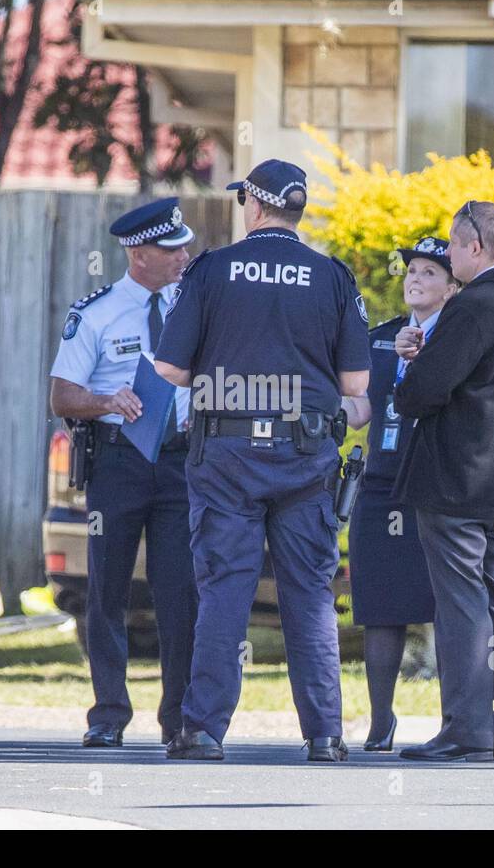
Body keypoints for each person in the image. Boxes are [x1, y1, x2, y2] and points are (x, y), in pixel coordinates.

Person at [154, 159, 370, 762]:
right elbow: (356, 384)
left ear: (254, 204)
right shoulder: (333, 276)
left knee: (225, 590)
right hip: (306, 457)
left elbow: (170, 368)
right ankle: (325, 734)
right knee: (309, 594)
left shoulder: (212, 270)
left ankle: (203, 731)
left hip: (226, 455)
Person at [393, 201, 494, 762]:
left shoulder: (475, 305)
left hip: (456, 478)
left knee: (461, 603)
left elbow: (420, 393)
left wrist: (412, 365)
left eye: (454, 246)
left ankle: (466, 728)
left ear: (476, 247)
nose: (448, 255)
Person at [48, 197, 199, 748]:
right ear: (138, 253)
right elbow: (62, 395)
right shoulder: (98, 312)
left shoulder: (195, 304)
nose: (184, 254)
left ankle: (179, 717)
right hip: (119, 462)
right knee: (107, 589)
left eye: (185, 244)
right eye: (171, 247)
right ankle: (108, 713)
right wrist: (108, 400)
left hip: (181, 461)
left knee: (180, 591)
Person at [345, 237, 458, 752]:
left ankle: (456, 720)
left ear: (453, 287)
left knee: (450, 604)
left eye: (430, 272)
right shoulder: (380, 339)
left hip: (439, 485)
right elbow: (360, 410)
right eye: (412, 270)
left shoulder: (462, 338)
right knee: (380, 606)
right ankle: (380, 718)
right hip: (381, 485)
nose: (415, 278)